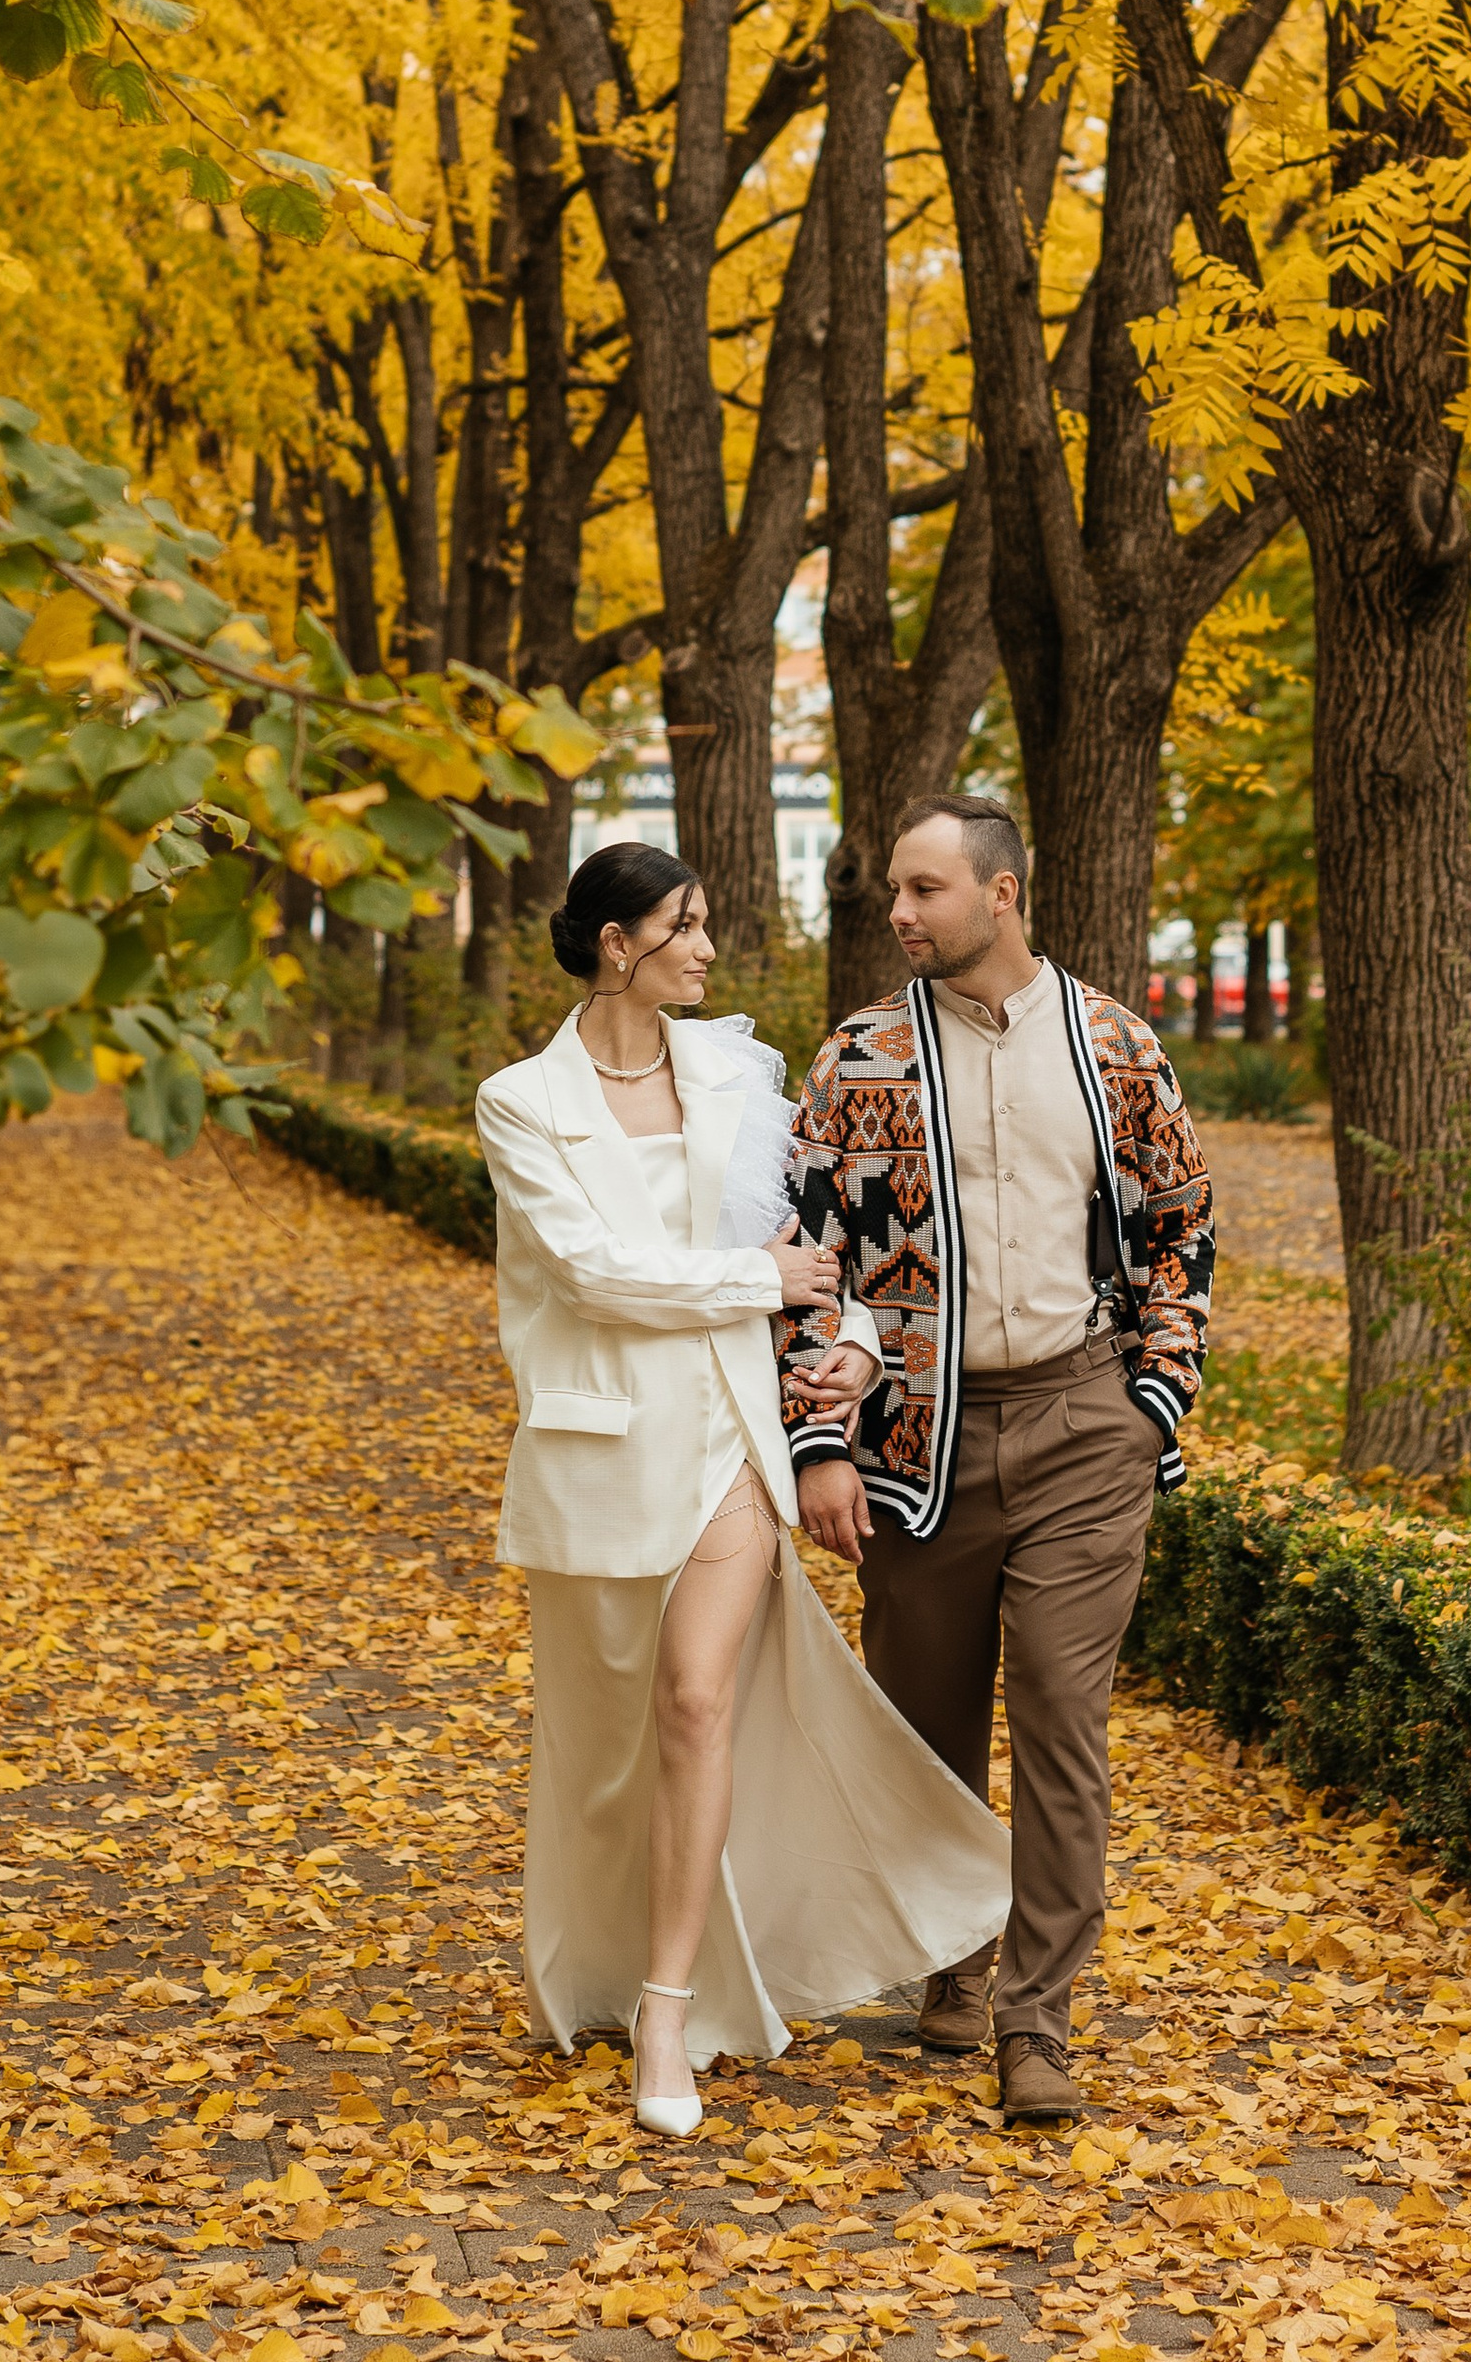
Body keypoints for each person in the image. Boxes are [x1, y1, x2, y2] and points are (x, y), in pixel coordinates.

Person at [473, 842, 1010, 2140]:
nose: (710, 948)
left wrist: (853, 1343)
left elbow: (833, 1245)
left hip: (728, 1436)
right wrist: (757, 1285)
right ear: (617, 943)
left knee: (699, 1699)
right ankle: (612, 1969)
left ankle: (667, 2007)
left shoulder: (733, 1070)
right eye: (687, 925)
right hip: (600, 1451)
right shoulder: (521, 1102)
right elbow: (595, 1272)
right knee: (606, 1750)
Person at [777, 795, 1215, 2124]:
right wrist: (818, 1446)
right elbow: (808, 1260)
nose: (899, 914)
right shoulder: (858, 1057)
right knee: (924, 1729)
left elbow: (1181, 1231)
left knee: (1067, 1728)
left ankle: (1041, 2021)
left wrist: (1155, 1401)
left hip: (1087, 1423)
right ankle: (949, 1967)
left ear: (1002, 893)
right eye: (897, 895)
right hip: (918, 1439)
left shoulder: (1115, 1046)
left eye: (925, 890)